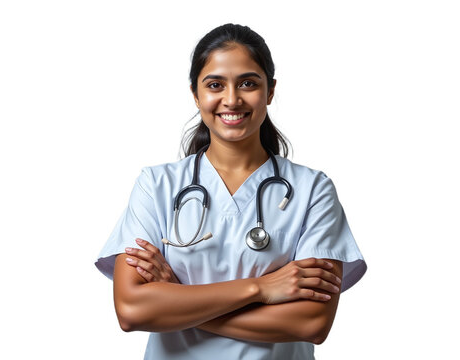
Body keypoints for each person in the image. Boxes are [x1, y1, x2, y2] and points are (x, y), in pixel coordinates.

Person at [94, 23, 367, 360]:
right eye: (215, 85)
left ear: (269, 92)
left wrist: (178, 298)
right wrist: (261, 289)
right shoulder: (156, 186)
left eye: (248, 83)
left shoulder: (313, 191)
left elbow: (311, 322)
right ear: (196, 94)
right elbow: (133, 310)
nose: (232, 99)